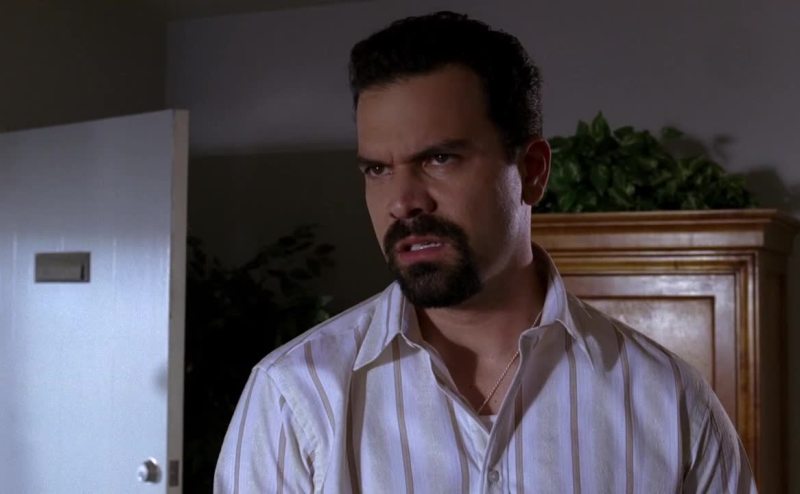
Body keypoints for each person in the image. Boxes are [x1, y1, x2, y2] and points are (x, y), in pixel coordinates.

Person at [214, 11, 755, 493]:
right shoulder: (294, 397)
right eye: (377, 169)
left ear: (532, 172)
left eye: (439, 159)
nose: (402, 201)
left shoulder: (670, 403)